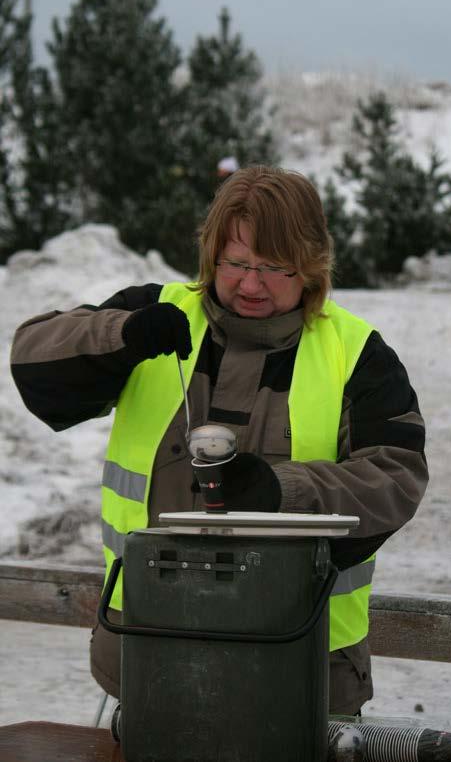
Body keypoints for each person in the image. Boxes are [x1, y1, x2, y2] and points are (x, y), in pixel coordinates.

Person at [10, 166, 428, 716]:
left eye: (273, 267)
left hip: (299, 667)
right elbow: (31, 359)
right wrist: (120, 337)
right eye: (235, 263)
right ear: (212, 257)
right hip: (149, 651)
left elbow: (396, 477)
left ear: (309, 267)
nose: (250, 285)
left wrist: (281, 493)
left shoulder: (357, 355)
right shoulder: (157, 310)